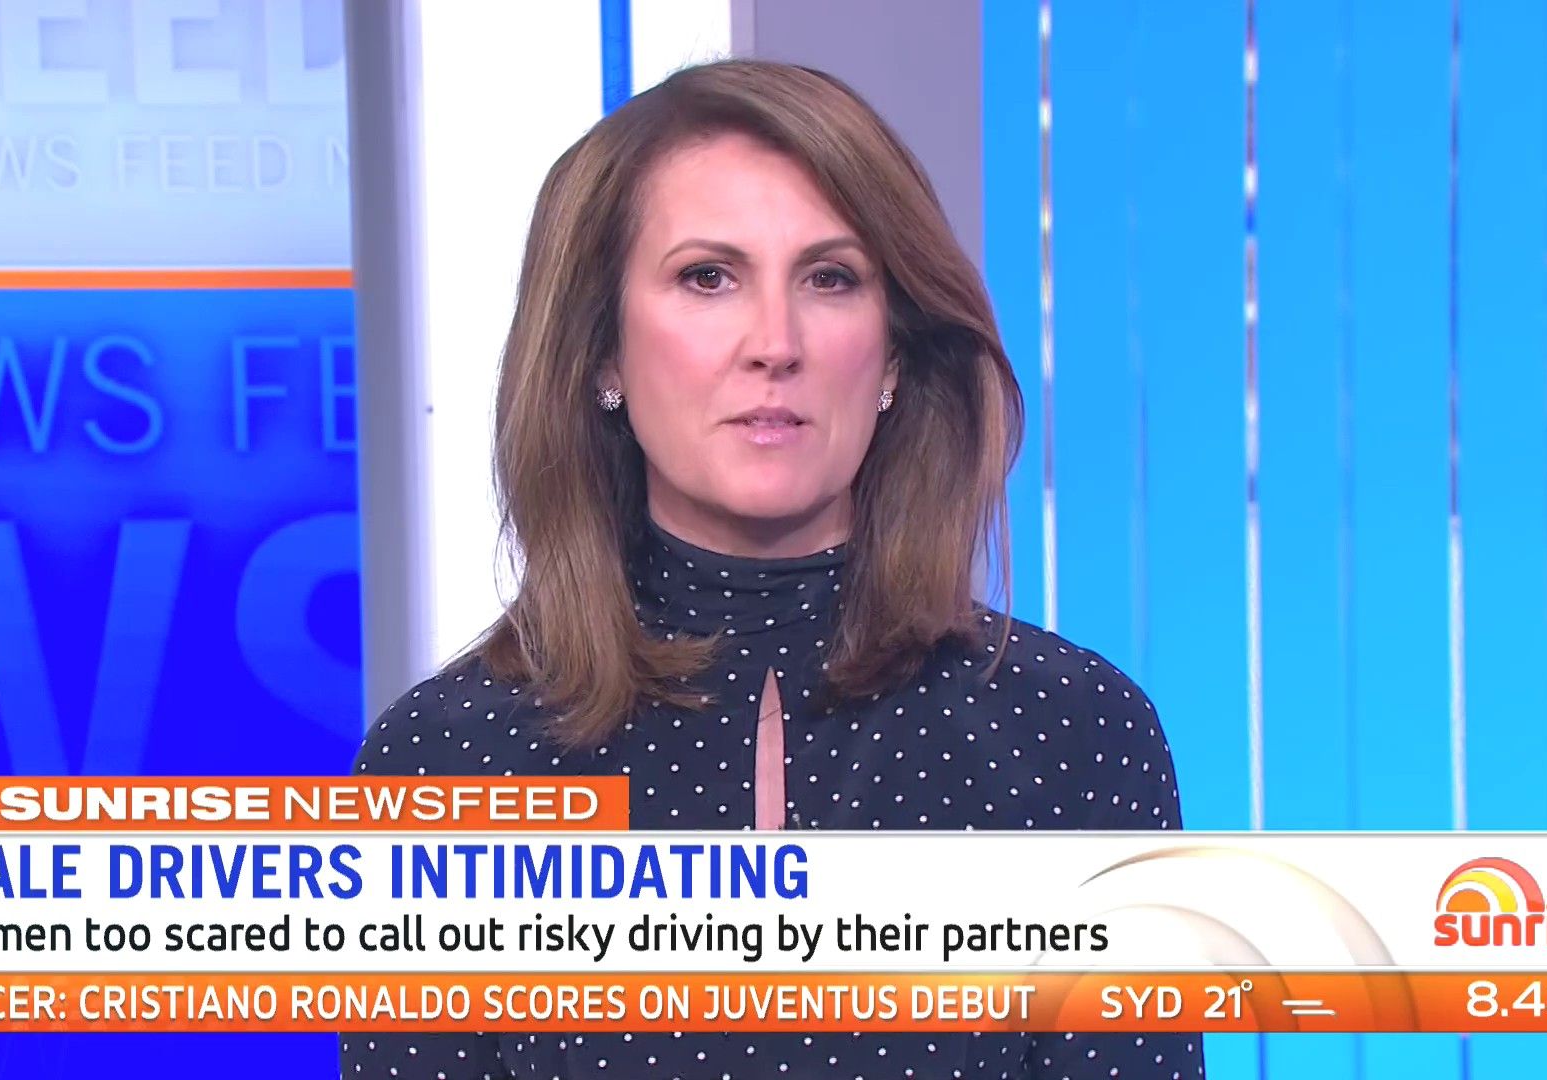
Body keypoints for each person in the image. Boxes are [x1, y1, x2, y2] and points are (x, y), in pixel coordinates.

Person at [343, 59, 1202, 1080]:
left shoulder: (1074, 734)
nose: (775, 344)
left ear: (892, 357)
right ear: (602, 352)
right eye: (708, 277)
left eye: (830, 279)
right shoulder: (448, 759)